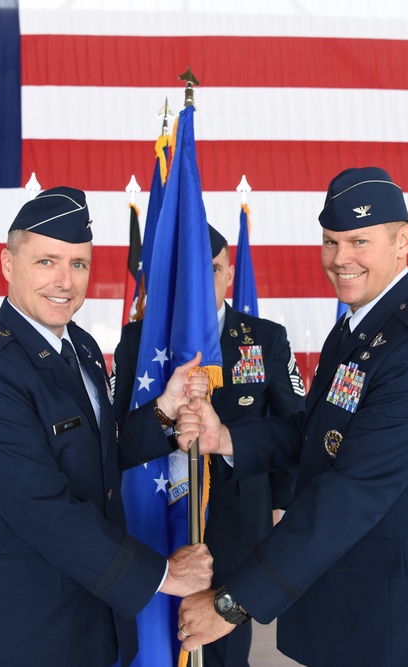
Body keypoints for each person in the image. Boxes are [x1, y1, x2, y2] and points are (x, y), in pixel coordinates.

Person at [175, 167, 408, 666]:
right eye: (330, 241)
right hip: (352, 599)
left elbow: (353, 492)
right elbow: (322, 432)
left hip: (398, 621)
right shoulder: (359, 327)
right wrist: (227, 437)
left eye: (359, 241)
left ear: (403, 240)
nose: (341, 259)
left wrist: (234, 603)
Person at [0, 186, 213, 667]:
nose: (64, 281)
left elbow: (94, 453)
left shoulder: (79, 346)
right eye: (47, 262)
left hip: (89, 616)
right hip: (18, 631)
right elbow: (43, 507)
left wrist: (163, 412)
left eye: (78, 264)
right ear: (7, 263)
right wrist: (163, 575)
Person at [111, 223, 305, 667]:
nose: (202, 286)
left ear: (230, 274)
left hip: (239, 522)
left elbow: (294, 427)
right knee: (153, 638)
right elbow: (115, 429)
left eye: (214, 271)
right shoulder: (139, 342)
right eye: (190, 277)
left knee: (223, 648)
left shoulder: (265, 338)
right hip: (154, 515)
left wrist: (283, 506)